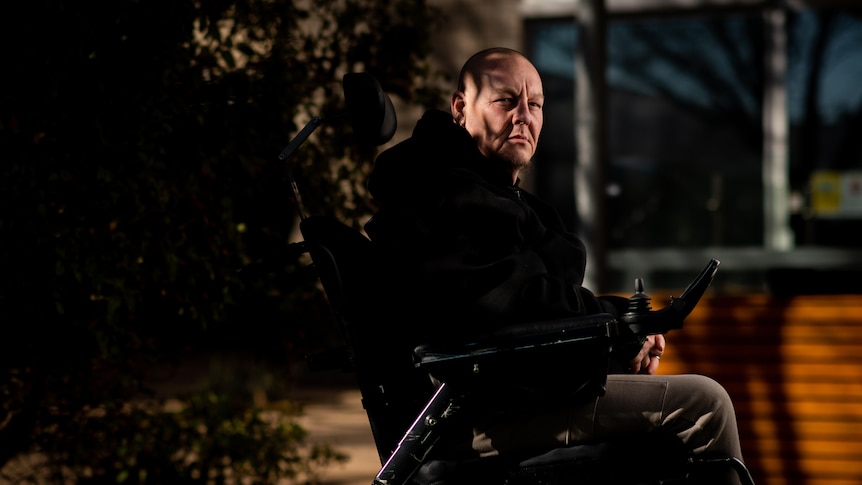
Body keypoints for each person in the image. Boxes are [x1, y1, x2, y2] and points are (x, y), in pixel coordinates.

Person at [364, 47, 744, 483]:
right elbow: (514, 304)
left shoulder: (472, 190)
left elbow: (524, 298)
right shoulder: (448, 197)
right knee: (705, 403)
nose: (524, 115)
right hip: (474, 412)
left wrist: (621, 324)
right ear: (460, 107)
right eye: (506, 100)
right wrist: (616, 326)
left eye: (536, 104)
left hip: (504, 392)